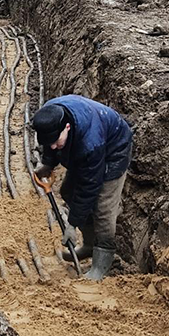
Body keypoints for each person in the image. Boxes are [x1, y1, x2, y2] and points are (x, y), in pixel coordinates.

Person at [32, 95, 133, 281]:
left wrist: (72, 223)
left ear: (67, 127)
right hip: (85, 149)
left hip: (113, 150)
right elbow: (50, 143)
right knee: (68, 192)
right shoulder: (50, 115)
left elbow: (89, 186)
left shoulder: (90, 143)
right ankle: (89, 245)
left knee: (103, 208)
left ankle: (101, 265)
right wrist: (48, 163)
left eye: (57, 141)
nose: (53, 146)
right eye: (49, 142)